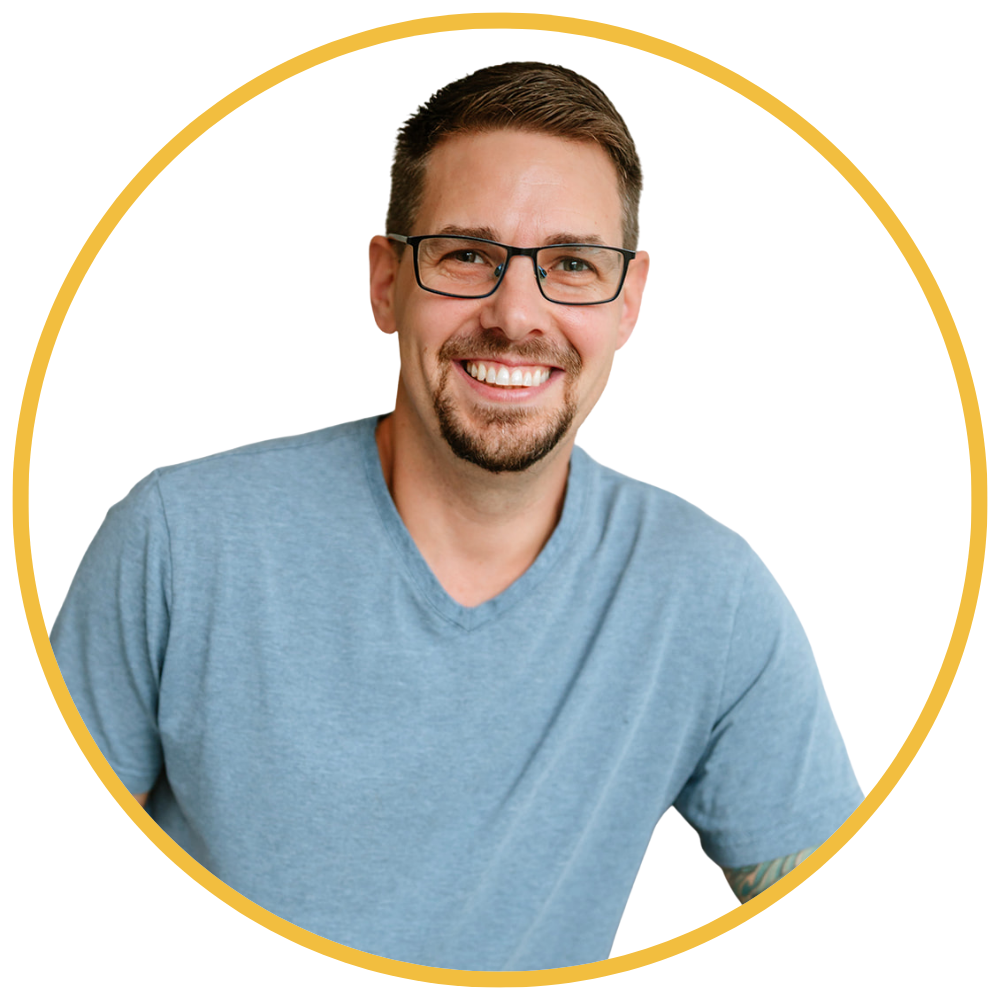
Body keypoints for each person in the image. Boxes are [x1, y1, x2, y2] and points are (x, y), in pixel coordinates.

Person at [51, 62, 862, 972]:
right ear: (387, 282)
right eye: (466, 254)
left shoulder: (709, 601)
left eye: (572, 265)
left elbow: (848, 935)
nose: (518, 315)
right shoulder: (178, 545)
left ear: (628, 301)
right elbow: (43, 896)